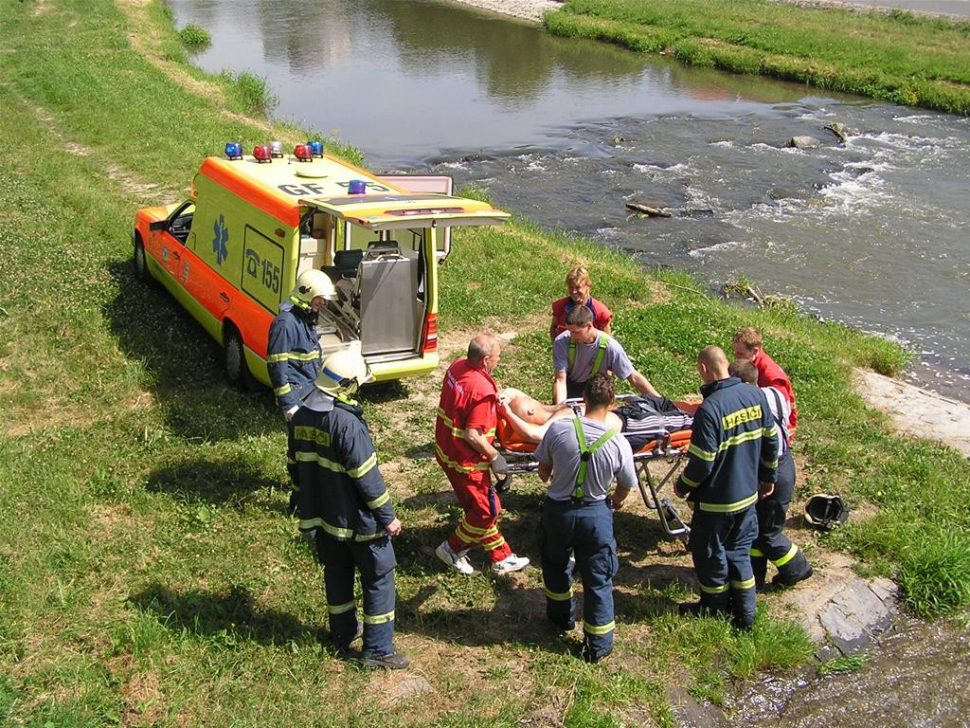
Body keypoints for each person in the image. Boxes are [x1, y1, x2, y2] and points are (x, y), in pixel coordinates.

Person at [289, 348, 408, 670]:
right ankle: (378, 650)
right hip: (360, 523)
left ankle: (341, 633)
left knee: (337, 574)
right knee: (379, 578)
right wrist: (389, 518)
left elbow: (295, 467)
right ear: (346, 385)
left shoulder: (300, 417)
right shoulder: (346, 425)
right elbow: (367, 478)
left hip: (324, 520)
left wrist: (298, 499)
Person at [673, 346, 779, 630]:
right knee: (739, 552)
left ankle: (713, 608)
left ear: (705, 369)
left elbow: (703, 464)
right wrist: (768, 476)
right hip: (747, 495)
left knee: (709, 554)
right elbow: (771, 441)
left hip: (716, 501)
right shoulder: (756, 394)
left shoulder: (711, 409)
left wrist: (683, 485)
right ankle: (745, 617)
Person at [535, 374, 636, 663]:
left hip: (558, 513)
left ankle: (560, 618)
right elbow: (627, 483)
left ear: (584, 401)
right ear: (613, 404)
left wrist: (554, 478)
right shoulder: (618, 443)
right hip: (595, 516)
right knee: (598, 579)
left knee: (555, 566)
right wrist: (614, 502)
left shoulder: (558, 430)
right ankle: (598, 644)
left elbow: (543, 470)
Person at [434, 334, 530, 576]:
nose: (499, 361)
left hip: (446, 450)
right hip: (467, 462)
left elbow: (463, 400)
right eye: (497, 357)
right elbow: (473, 435)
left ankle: (502, 557)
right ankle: (452, 549)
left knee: (476, 508)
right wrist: (495, 457)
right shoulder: (482, 390)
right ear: (486, 360)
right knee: (487, 510)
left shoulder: (457, 366)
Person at [731, 360, 813, 589]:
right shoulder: (774, 395)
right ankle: (755, 577)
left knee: (769, 534)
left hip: (772, 472)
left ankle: (797, 568)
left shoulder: (747, 406)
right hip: (784, 465)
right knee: (757, 529)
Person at [499, 388, 694, 447]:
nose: (528, 399)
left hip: (622, 414)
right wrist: (506, 412)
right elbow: (533, 436)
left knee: (656, 402)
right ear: (530, 415)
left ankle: (704, 411)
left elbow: (513, 392)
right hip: (631, 428)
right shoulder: (556, 423)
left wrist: (505, 396)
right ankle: (711, 419)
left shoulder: (551, 410)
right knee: (686, 421)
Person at [268, 269, 337, 421]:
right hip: (297, 397)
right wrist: (288, 404)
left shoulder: (306, 321)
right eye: (319, 297)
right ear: (307, 293)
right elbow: (277, 368)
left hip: (310, 392)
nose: (323, 302)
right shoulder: (285, 324)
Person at [552, 306, 659, 403]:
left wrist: (659, 400)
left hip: (595, 391)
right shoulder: (561, 341)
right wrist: (560, 407)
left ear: (589, 326)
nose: (572, 336)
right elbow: (560, 380)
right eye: (570, 331)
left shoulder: (610, 346)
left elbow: (632, 377)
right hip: (570, 387)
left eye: (576, 332)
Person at [732, 327, 797, 433]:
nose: (736, 358)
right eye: (735, 352)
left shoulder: (771, 376)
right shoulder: (750, 364)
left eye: (740, 354)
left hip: (778, 430)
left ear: (755, 351)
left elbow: (781, 410)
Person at [550, 266, 613, 340]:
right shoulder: (560, 306)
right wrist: (556, 346)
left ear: (588, 287)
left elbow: (607, 339)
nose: (574, 291)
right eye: (571, 287)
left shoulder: (601, 312)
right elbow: (553, 327)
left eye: (578, 287)